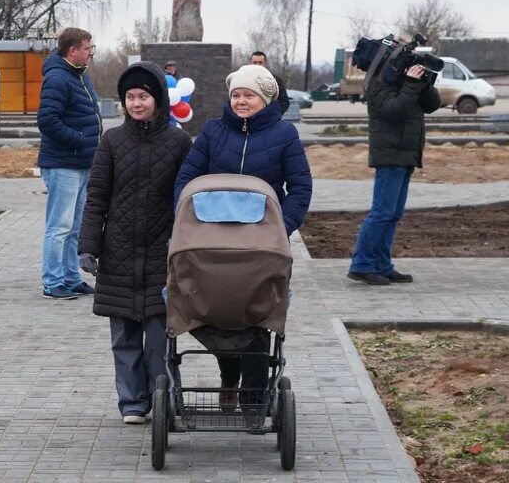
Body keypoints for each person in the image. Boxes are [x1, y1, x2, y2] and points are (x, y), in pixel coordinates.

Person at [174, 64, 312, 420]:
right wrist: (186, 218)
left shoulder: (285, 135)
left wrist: (283, 227)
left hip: (261, 242)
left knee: (255, 314)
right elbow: (188, 177)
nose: (240, 100)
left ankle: (253, 398)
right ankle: (228, 377)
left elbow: (300, 187)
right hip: (211, 239)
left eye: (248, 94)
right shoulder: (213, 131)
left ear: (265, 98)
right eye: (236, 94)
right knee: (218, 309)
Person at [78, 61, 192, 424]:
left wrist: (185, 242)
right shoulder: (112, 141)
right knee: (124, 337)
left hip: (163, 250)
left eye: (143, 96)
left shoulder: (178, 142)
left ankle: (159, 397)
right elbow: (97, 196)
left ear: (157, 98)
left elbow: (187, 198)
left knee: (159, 338)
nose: (137, 103)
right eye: (130, 97)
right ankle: (132, 403)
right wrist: (88, 245)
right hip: (120, 251)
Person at [347, 63, 441, 286]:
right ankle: (361, 265)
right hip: (390, 155)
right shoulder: (380, 82)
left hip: (406, 154)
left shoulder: (403, 82)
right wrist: (409, 84)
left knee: (393, 213)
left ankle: (382, 265)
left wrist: (423, 83)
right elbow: (393, 110)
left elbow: (432, 105)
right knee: (382, 212)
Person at [36, 28, 102, 300]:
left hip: (81, 162)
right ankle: (52, 282)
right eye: (87, 48)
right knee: (59, 227)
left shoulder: (78, 75)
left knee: (75, 226)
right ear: (72, 50)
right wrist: (78, 140)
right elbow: (48, 120)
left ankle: (71, 278)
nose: (90, 52)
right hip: (63, 163)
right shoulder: (57, 78)